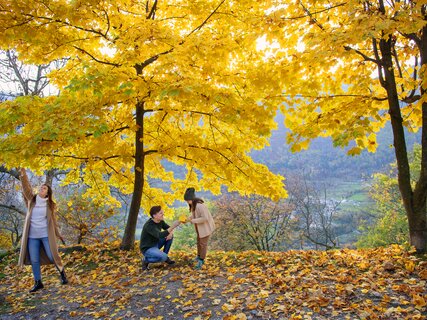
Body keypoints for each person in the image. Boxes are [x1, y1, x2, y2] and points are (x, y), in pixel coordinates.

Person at [18, 168, 68, 293]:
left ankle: (62, 273)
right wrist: (23, 174)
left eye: (44, 188)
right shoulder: (32, 200)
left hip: (46, 235)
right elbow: (26, 188)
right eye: (41, 187)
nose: (42, 188)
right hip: (32, 236)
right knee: (34, 259)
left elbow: (54, 222)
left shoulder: (50, 205)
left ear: (48, 193)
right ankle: (38, 282)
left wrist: (58, 234)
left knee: (53, 256)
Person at [140, 206, 181, 270]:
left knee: (170, 236)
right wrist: (173, 226)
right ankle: (146, 260)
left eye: (163, 212)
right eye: (160, 213)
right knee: (162, 257)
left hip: (156, 243)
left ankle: (165, 258)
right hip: (148, 248)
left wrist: (170, 233)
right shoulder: (149, 225)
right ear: (154, 215)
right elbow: (160, 235)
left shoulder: (160, 221)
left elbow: (168, 228)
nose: (163, 214)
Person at [183, 187, 215, 269]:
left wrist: (193, 220)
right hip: (199, 227)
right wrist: (189, 218)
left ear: (191, 199)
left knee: (203, 244)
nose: (187, 202)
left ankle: (201, 260)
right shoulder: (193, 205)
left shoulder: (200, 206)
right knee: (199, 242)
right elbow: (194, 214)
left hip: (205, 228)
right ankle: (198, 256)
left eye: (187, 200)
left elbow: (205, 218)